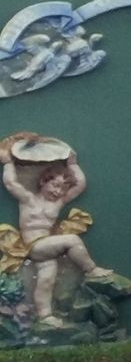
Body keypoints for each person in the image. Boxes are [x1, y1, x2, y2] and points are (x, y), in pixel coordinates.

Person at [0, 137, 114, 322]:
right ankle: (91, 269)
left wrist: (72, 163)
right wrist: (7, 162)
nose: (58, 191)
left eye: (62, 188)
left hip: (47, 248)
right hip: (33, 246)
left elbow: (80, 185)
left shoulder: (58, 203)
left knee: (46, 282)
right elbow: (11, 183)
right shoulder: (28, 199)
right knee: (72, 240)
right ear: (43, 182)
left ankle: (45, 315)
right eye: (54, 185)